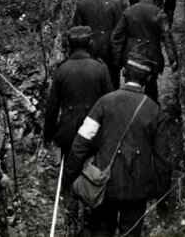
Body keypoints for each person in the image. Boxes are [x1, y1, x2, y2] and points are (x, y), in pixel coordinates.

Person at [66, 58, 173, 237]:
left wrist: (70, 175)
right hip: (137, 187)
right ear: (147, 80)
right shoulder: (155, 112)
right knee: (131, 232)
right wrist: (163, 196)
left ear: (124, 74)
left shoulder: (104, 102)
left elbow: (82, 141)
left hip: (103, 183)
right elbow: (163, 159)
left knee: (101, 230)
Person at [42, 26, 113, 233]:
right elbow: (109, 101)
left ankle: (71, 214)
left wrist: (49, 135)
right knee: (93, 172)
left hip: (69, 133)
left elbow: (52, 107)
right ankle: (93, 215)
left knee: (70, 173)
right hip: (95, 133)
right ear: (89, 44)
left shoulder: (62, 70)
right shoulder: (100, 68)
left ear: (69, 46)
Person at [111, 0, 178, 103]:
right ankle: (150, 112)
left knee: (130, 85)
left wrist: (117, 58)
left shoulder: (129, 11)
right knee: (151, 88)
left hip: (131, 55)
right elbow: (167, 37)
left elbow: (117, 36)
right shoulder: (159, 14)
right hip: (151, 56)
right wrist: (173, 60)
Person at [73, 0, 123, 87]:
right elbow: (119, 33)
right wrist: (119, 56)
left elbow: (78, 32)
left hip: (89, 52)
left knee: (90, 87)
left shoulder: (82, 4)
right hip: (110, 51)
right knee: (111, 86)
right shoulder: (115, 3)